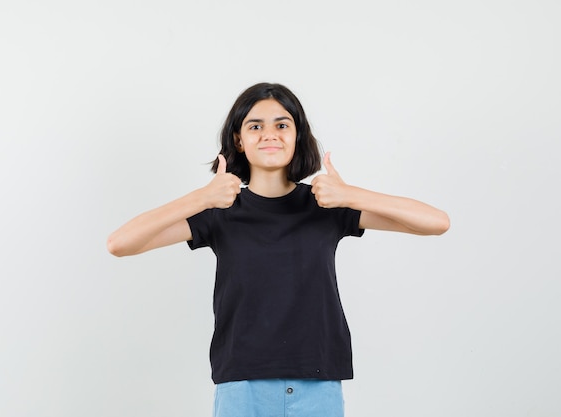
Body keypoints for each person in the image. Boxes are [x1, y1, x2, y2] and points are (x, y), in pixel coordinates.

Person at [107, 82, 450, 417]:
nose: (270, 134)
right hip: (242, 384)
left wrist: (351, 195)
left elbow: (436, 222)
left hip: (318, 380)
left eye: (282, 124)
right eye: (255, 125)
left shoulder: (326, 206)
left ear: (297, 136)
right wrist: (202, 198)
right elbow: (120, 244)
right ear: (239, 140)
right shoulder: (220, 212)